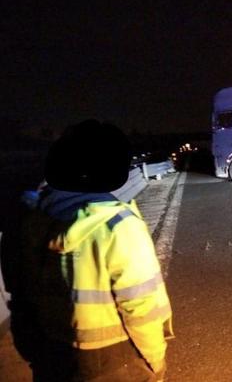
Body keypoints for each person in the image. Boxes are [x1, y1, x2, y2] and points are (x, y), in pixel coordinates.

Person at [1, 120, 174, 381]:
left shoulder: (30, 222)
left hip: (54, 356)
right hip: (116, 359)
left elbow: (20, 296)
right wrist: (155, 360)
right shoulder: (118, 226)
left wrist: (37, 355)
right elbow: (141, 306)